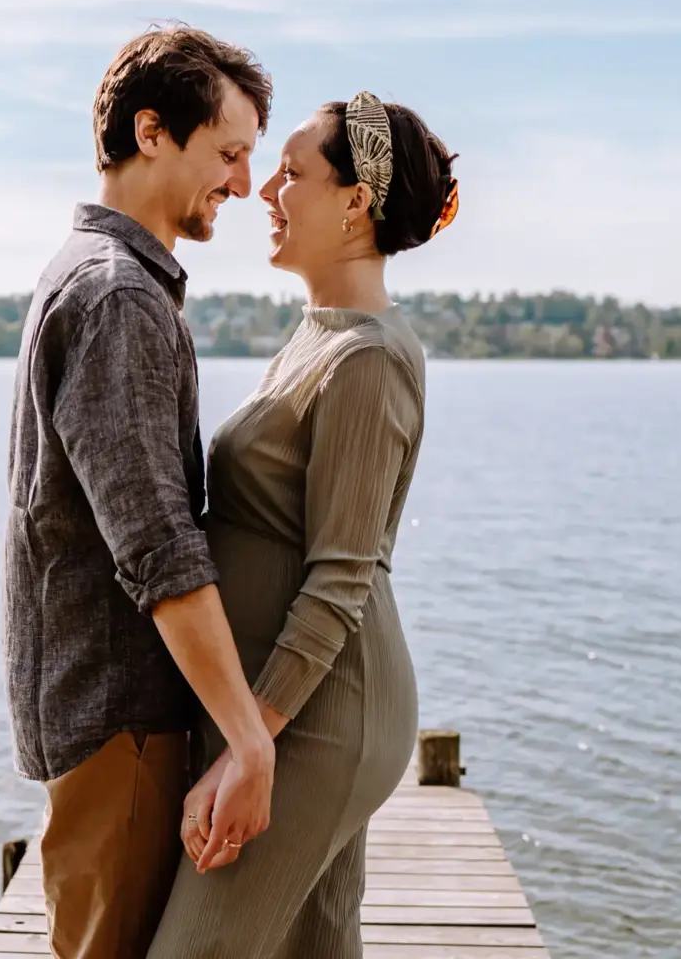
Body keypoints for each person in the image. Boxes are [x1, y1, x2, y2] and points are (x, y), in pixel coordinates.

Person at [148, 91, 459, 959]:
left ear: (356, 202)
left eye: (292, 173)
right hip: (294, 708)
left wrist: (253, 743)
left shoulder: (367, 361)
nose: (264, 191)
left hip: (322, 717)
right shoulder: (319, 333)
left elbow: (341, 579)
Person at [1, 24, 279, 959]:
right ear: (151, 130)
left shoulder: (95, 276)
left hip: (106, 711)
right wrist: (251, 740)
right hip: (119, 716)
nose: (244, 183)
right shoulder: (117, 296)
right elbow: (155, 545)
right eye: (230, 153)